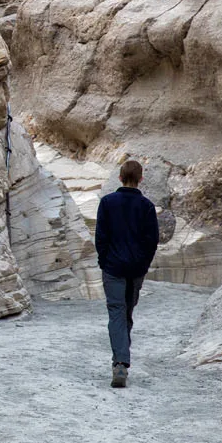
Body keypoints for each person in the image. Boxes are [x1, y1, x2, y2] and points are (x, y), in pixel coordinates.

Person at [95, 159, 160, 388]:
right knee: (126, 313)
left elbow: (101, 238)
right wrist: (143, 265)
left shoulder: (107, 203)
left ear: (120, 178)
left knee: (116, 312)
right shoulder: (147, 207)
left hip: (113, 267)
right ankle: (122, 359)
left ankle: (120, 363)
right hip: (136, 269)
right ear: (141, 179)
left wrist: (104, 261)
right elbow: (152, 241)